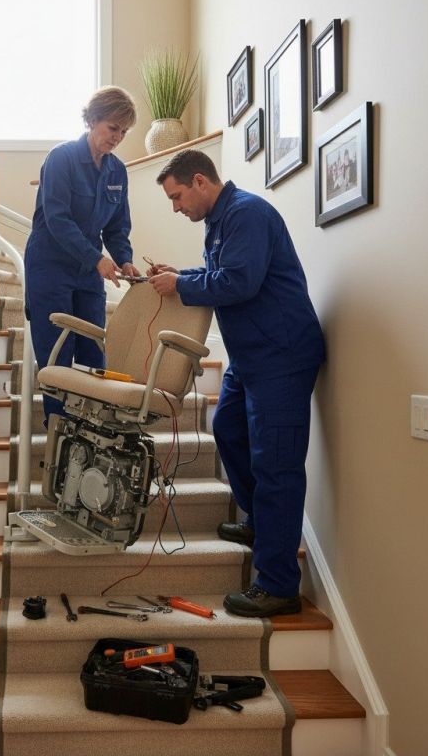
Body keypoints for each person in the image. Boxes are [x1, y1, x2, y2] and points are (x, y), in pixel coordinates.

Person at [147, 149, 325, 618]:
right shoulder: (220, 220)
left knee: (277, 467)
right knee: (227, 429)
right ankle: (258, 525)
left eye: (177, 196)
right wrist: (178, 276)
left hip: (282, 355)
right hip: (252, 356)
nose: (176, 207)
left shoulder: (247, 214)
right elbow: (218, 275)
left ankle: (279, 585)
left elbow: (240, 282)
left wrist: (181, 287)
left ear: (201, 181)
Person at [24, 86, 141, 424]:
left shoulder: (117, 171)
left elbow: (117, 228)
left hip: (88, 269)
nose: (117, 137)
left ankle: (91, 432)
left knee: (93, 351)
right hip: (49, 265)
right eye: (112, 128)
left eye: (123, 131)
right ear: (92, 121)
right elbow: (58, 220)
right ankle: (59, 433)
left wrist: (124, 259)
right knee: (57, 354)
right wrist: (97, 259)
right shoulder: (61, 159)